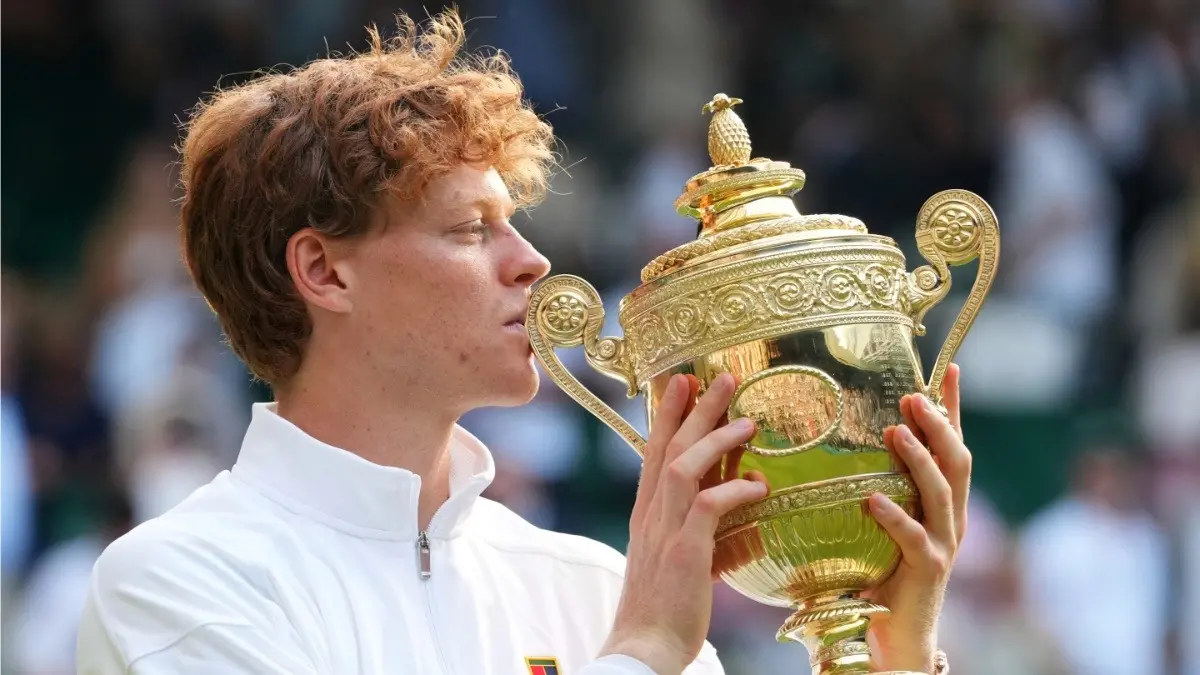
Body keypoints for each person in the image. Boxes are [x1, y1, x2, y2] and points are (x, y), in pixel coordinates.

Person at [75, 11, 973, 675]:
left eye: (517, 223)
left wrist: (892, 655)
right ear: (326, 271)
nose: (531, 262)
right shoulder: (177, 583)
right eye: (471, 231)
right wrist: (647, 650)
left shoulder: (588, 584)